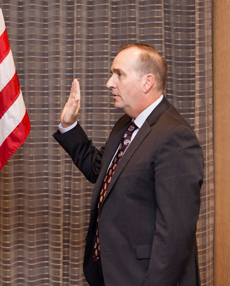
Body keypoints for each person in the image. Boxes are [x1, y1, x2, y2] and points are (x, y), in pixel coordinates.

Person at [53, 43, 203, 286]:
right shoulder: (126, 124)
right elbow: (99, 170)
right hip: (113, 273)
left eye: (119, 74)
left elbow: (175, 236)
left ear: (147, 82)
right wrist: (69, 125)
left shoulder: (175, 136)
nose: (109, 83)